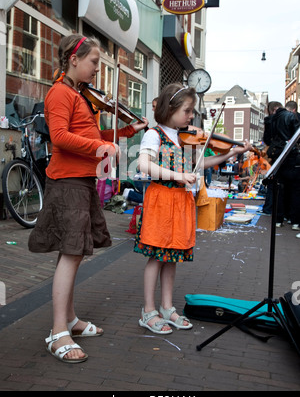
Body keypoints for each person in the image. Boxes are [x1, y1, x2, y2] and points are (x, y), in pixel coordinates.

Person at [28, 34, 148, 363]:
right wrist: (100, 148)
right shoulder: (60, 93)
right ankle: (57, 333)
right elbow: (61, 137)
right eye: (94, 62)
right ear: (74, 60)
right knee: (71, 254)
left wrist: (123, 134)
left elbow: (90, 136)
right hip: (67, 183)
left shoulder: (79, 95)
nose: (97, 69)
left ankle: (68, 320)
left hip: (81, 181)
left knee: (75, 253)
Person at [134, 83, 252, 334]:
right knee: (156, 257)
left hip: (181, 202)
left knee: (172, 256)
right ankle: (148, 310)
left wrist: (231, 152)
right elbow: (144, 165)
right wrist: (177, 176)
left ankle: (166, 307)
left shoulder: (184, 137)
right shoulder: (154, 135)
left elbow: (201, 164)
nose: (191, 117)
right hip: (162, 200)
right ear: (170, 108)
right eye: (187, 111)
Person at [263, 101, 300, 230]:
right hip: (292, 158)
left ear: (272, 110)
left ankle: (278, 219)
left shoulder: (270, 120)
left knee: (278, 189)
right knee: (295, 190)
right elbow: (297, 137)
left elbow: (267, 140)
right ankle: (294, 221)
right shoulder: (291, 116)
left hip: (277, 157)